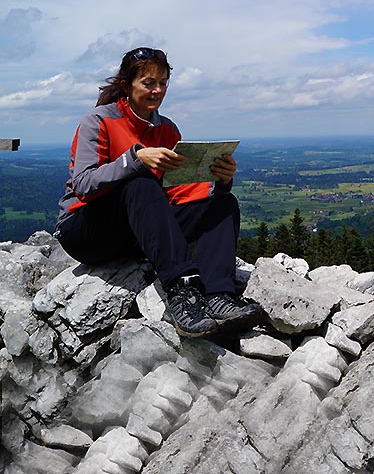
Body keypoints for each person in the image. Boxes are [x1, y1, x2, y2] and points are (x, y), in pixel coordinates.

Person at [55, 47, 261, 338]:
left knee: (223, 204)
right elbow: (84, 184)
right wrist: (136, 159)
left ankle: (218, 296)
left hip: (138, 232)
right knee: (140, 183)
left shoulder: (167, 129)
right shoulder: (98, 120)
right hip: (84, 230)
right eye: (148, 82)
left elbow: (178, 192)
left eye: (163, 83)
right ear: (126, 85)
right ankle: (183, 292)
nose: (157, 90)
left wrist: (220, 181)